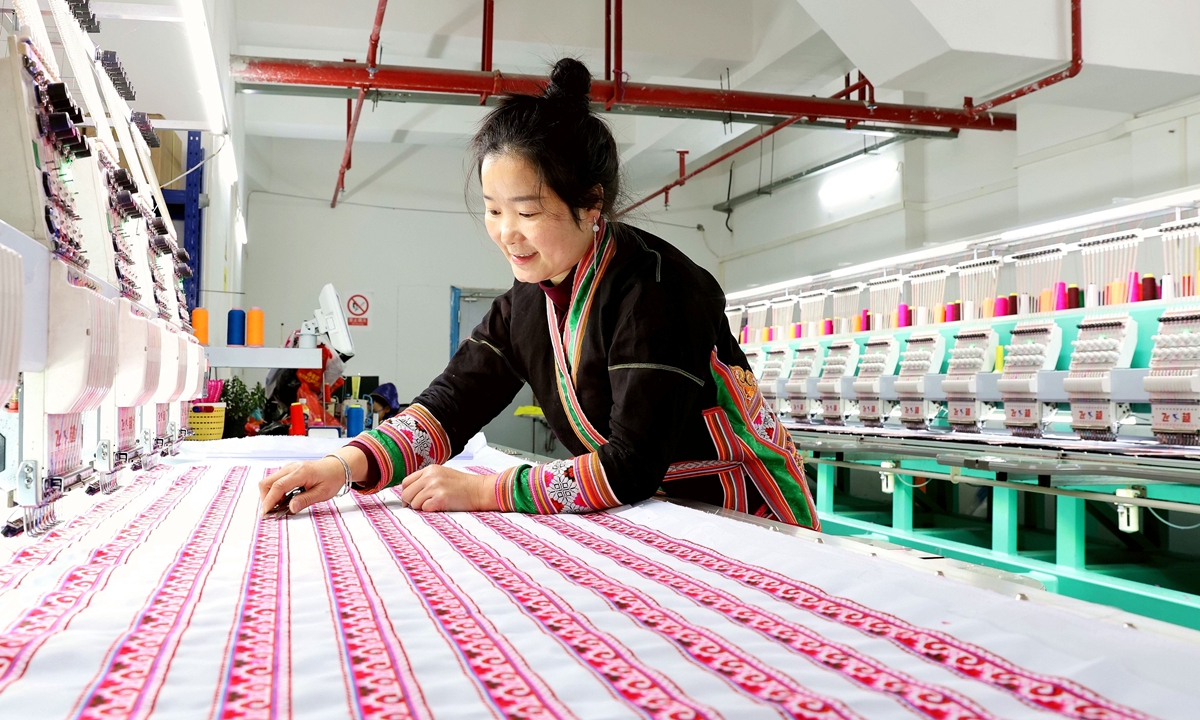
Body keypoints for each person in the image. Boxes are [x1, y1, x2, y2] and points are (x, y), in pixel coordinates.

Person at [259, 58, 819, 529]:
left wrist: (486, 491)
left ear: (591, 203)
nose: (506, 232)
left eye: (526, 211)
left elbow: (630, 464)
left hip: (744, 514)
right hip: (655, 515)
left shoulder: (658, 290)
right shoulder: (528, 301)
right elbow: (448, 408)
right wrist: (344, 463)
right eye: (493, 209)